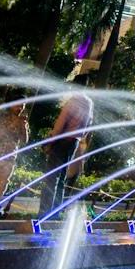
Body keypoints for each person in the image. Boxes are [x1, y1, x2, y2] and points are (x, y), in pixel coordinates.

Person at [39, 74, 94, 213]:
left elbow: (60, 125)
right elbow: (88, 126)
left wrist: (50, 142)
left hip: (62, 140)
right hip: (74, 142)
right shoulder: (88, 103)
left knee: (51, 178)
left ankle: (44, 212)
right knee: (62, 177)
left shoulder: (72, 102)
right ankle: (56, 212)